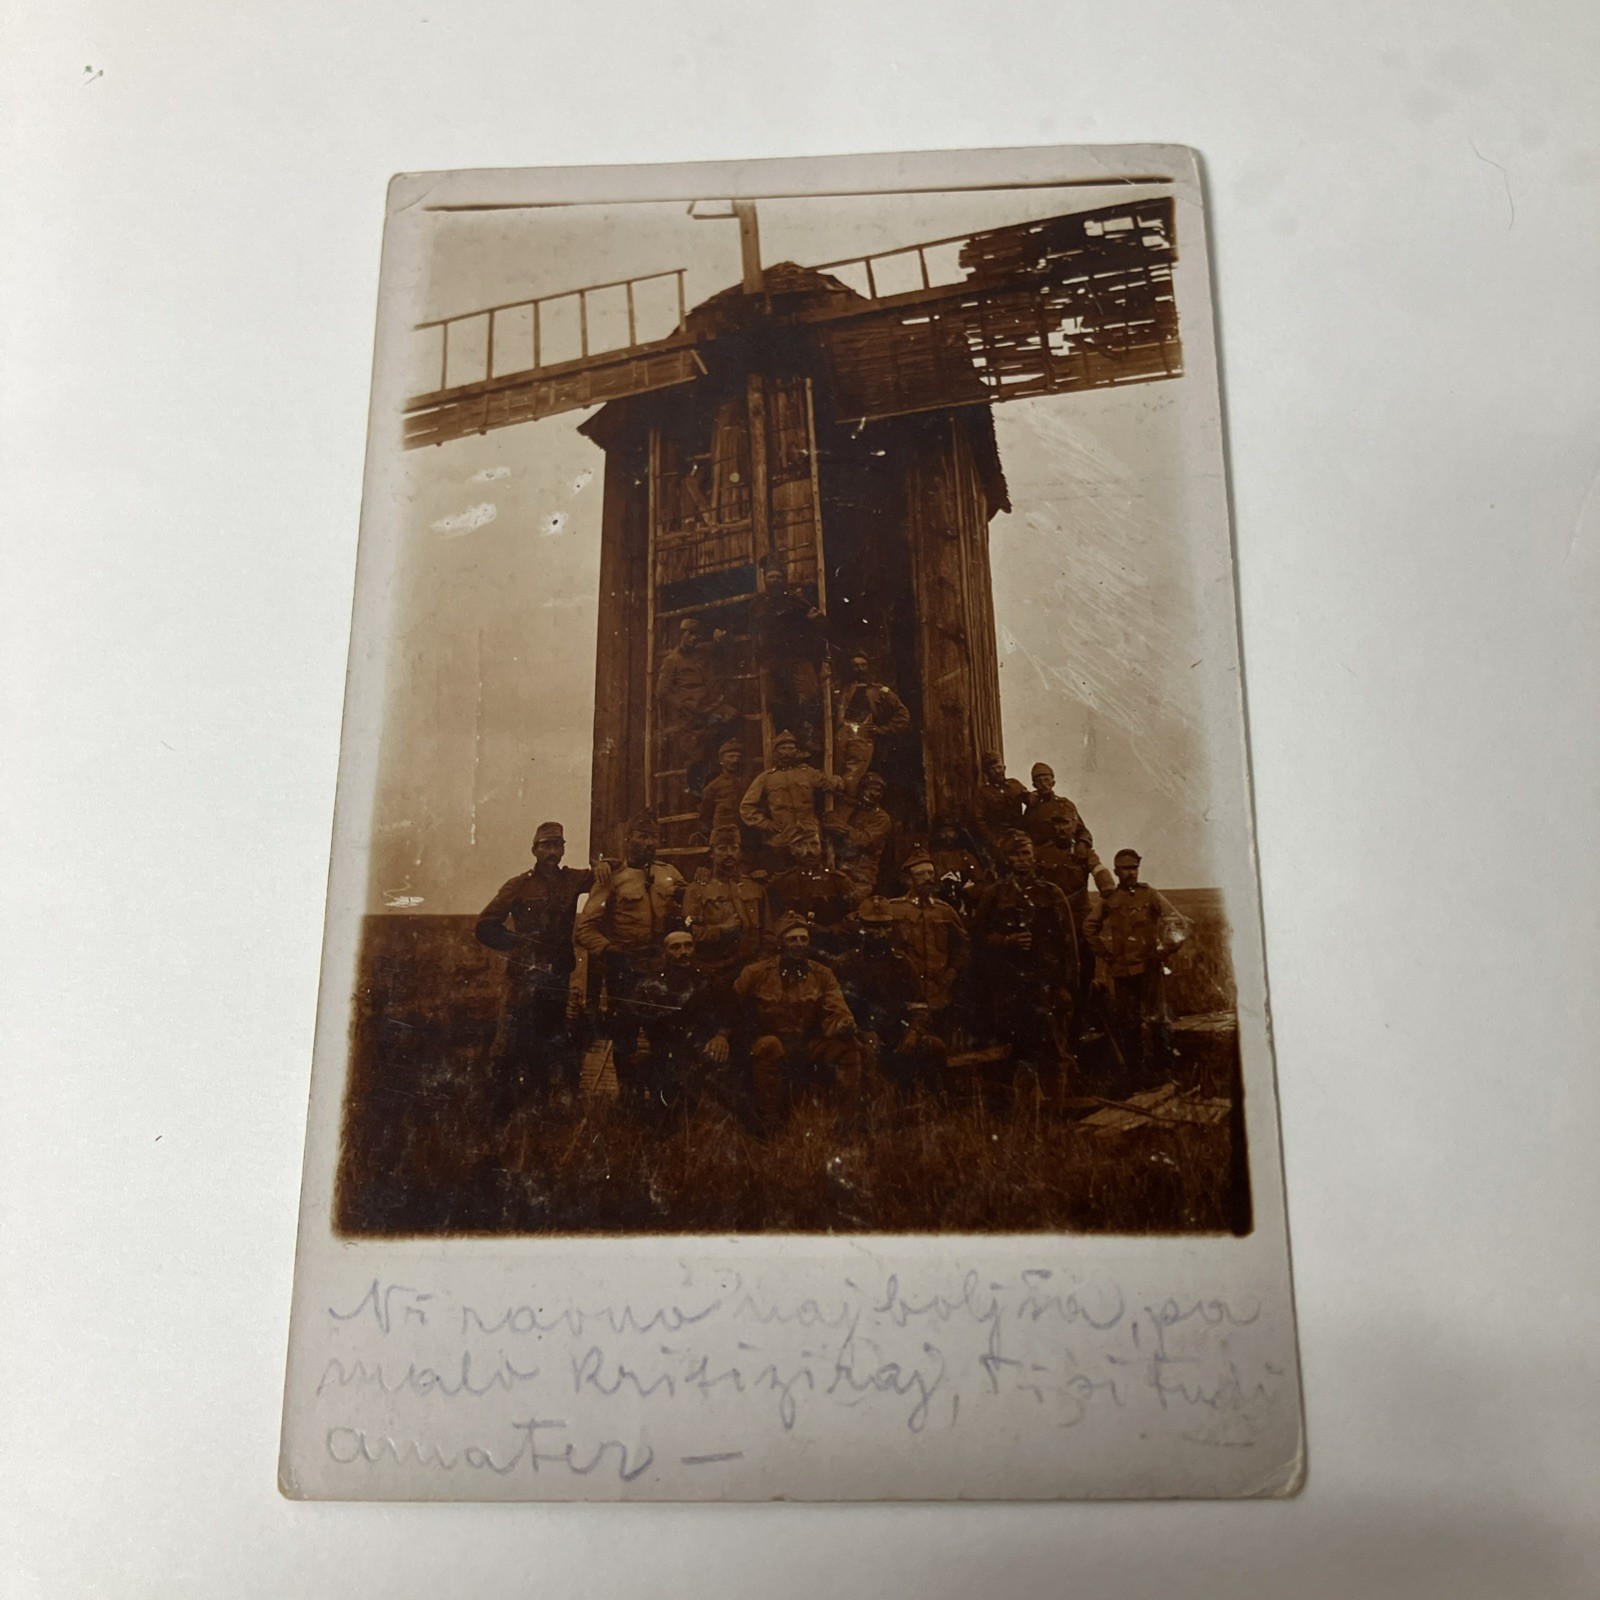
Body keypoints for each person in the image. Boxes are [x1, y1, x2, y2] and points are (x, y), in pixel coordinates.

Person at [473, 821, 608, 1115]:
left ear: (563, 849)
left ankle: (540, 1108)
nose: (552, 851)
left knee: (549, 1044)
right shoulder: (519, 885)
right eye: (545, 845)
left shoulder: (573, 880)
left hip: (556, 977)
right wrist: (517, 946)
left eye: (557, 844)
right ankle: (497, 1111)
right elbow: (485, 925)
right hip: (523, 978)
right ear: (534, 850)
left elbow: (610, 872)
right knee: (508, 1045)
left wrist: (602, 863)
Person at [573, 812, 686, 1112]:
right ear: (628, 840)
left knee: (663, 1037)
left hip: (660, 969)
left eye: (653, 838)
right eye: (642, 836)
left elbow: (689, 907)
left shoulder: (670, 874)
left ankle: (663, 1105)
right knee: (626, 1039)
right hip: (624, 971)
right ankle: (629, 1102)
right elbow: (585, 929)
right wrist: (611, 952)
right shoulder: (612, 879)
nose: (648, 843)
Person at [709, 912, 860, 1134]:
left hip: (807, 1042)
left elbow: (836, 1009)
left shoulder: (822, 974)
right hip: (768, 1040)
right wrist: (721, 1034)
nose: (798, 945)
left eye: (803, 939)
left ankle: (845, 1125)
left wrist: (842, 1025)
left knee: (849, 1050)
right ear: (781, 944)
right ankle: (770, 1120)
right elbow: (729, 1009)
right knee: (769, 1044)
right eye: (792, 939)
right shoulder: (755, 973)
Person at [971, 829, 1080, 1106]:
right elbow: (978, 938)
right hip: (1009, 985)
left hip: (1047, 984)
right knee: (1016, 1048)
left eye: (1026, 853)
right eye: (1014, 854)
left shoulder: (1051, 892)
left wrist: (1068, 985)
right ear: (1006, 859)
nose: (1021, 859)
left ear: (1034, 857)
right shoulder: (994, 894)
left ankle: (1057, 1108)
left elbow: (1069, 942)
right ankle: (1023, 1109)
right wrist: (1007, 940)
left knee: (1054, 1047)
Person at [1081, 848, 1191, 1089]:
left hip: (1150, 968)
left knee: (1159, 1020)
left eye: (1134, 868)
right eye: (1125, 869)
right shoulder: (1109, 899)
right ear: (1116, 871)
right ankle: (1136, 1077)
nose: (1130, 873)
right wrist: (1105, 954)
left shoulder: (1149, 894)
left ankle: (1165, 1073)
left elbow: (1176, 921)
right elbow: (1089, 927)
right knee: (1129, 1023)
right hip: (1122, 972)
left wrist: (1165, 949)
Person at [835, 896, 945, 1099]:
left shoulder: (903, 963)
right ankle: (874, 1111)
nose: (879, 933)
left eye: (884, 927)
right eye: (872, 927)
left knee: (933, 1046)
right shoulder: (847, 964)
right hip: (862, 1035)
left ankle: (931, 1105)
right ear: (861, 928)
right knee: (868, 1053)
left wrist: (913, 1032)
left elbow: (919, 1006)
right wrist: (860, 1033)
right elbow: (838, 1008)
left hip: (897, 1034)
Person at [630, 928, 729, 1123]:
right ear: (664, 953)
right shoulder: (650, 983)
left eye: (688, 945)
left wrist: (721, 1036)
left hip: (701, 1046)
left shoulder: (710, 979)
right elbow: (635, 1017)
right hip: (664, 1049)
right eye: (675, 947)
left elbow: (728, 1014)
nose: (683, 952)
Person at [654, 616, 740, 796]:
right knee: (696, 755)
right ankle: (696, 792)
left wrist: (719, 635)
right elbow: (662, 691)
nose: (694, 638)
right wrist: (682, 708)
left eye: (697, 635)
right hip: (691, 713)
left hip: (713, 707)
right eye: (690, 634)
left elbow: (721, 643)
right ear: (681, 635)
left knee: (733, 717)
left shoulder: (702, 651)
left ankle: (717, 753)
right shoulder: (671, 661)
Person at [750, 555, 827, 751]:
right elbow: (754, 628)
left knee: (810, 695)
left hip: (797, 658)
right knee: (777, 703)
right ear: (764, 579)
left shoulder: (795, 600)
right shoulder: (757, 604)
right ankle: (784, 743)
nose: (774, 580)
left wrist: (809, 621)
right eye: (771, 577)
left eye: (778, 577)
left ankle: (810, 738)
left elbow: (818, 620)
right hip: (771, 661)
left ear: (783, 579)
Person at [889, 846, 970, 1030]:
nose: (927, 878)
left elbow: (962, 948)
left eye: (930, 873)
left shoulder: (945, 911)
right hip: (906, 996)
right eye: (920, 874)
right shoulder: (894, 910)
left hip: (940, 995)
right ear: (909, 879)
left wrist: (952, 972)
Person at [680, 824, 768, 990]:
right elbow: (691, 933)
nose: (729, 853)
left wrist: (759, 964)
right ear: (712, 853)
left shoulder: (755, 887)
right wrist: (721, 930)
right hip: (714, 970)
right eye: (722, 848)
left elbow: (768, 932)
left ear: (739, 852)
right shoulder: (697, 889)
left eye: (733, 848)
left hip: (753, 969)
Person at [765, 819, 859, 965]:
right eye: (801, 845)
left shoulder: (839, 881)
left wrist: (829, 931)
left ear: (821, 847)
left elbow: (855, 920)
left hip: (831, 951)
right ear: (792, 849)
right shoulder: (781, 882)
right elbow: (771, 920)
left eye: (814, 844)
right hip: (791, 953)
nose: (808, 850)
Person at [739, 730, 845, 845]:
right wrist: (766, 824)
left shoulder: (807, 772)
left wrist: (837, 780)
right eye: (783, 749)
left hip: (809, 837)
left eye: (791, 749)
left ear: (796, 752)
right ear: (775, 753)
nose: (787, 753)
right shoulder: (765, 778)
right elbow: (746, 807)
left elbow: (830, 784)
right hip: (783, 838)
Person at [832, 649, 910, 794]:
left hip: (864, 738)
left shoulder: (880, 691)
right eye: (855, 666)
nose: (859, 669)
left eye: (863, 665)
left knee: (855, 780)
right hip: (841, 736)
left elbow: (903, 715)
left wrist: (882, 730)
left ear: (868, 667)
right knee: (836, 778)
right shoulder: (842, 691)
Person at [827, 770, 893, 902]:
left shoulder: (881, 818)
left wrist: (842, 828)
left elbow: (866, 841)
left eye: (877, 790)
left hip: (861, 877)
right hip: (840, 871)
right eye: (869, 789)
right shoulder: (853, 811)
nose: (873, 794)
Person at [972, 751, 1029, 862]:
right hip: (999, 838)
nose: (997, 771)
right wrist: (993, 841)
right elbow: (979, 821)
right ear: (986, 773)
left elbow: (1031, 802)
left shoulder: (1015, 785)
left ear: (1004, 768)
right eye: (992, 769)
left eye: (999, 767)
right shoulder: (983, 793)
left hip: (1020, 835)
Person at [928, 814, 987, 916]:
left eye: (950, 831)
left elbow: (979, 881)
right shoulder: (930, 858)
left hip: (963, 905)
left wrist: (969, 896)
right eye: (943, 831)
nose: (947, 835)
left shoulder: (965, 857)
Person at [695, 739, 750, 842]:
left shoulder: (750, 784)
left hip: (747, 834)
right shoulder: (713, 787)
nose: (735, 760)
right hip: (724, 837)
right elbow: (705, 817)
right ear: (721, 760)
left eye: (739, 757)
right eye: (731, 756)